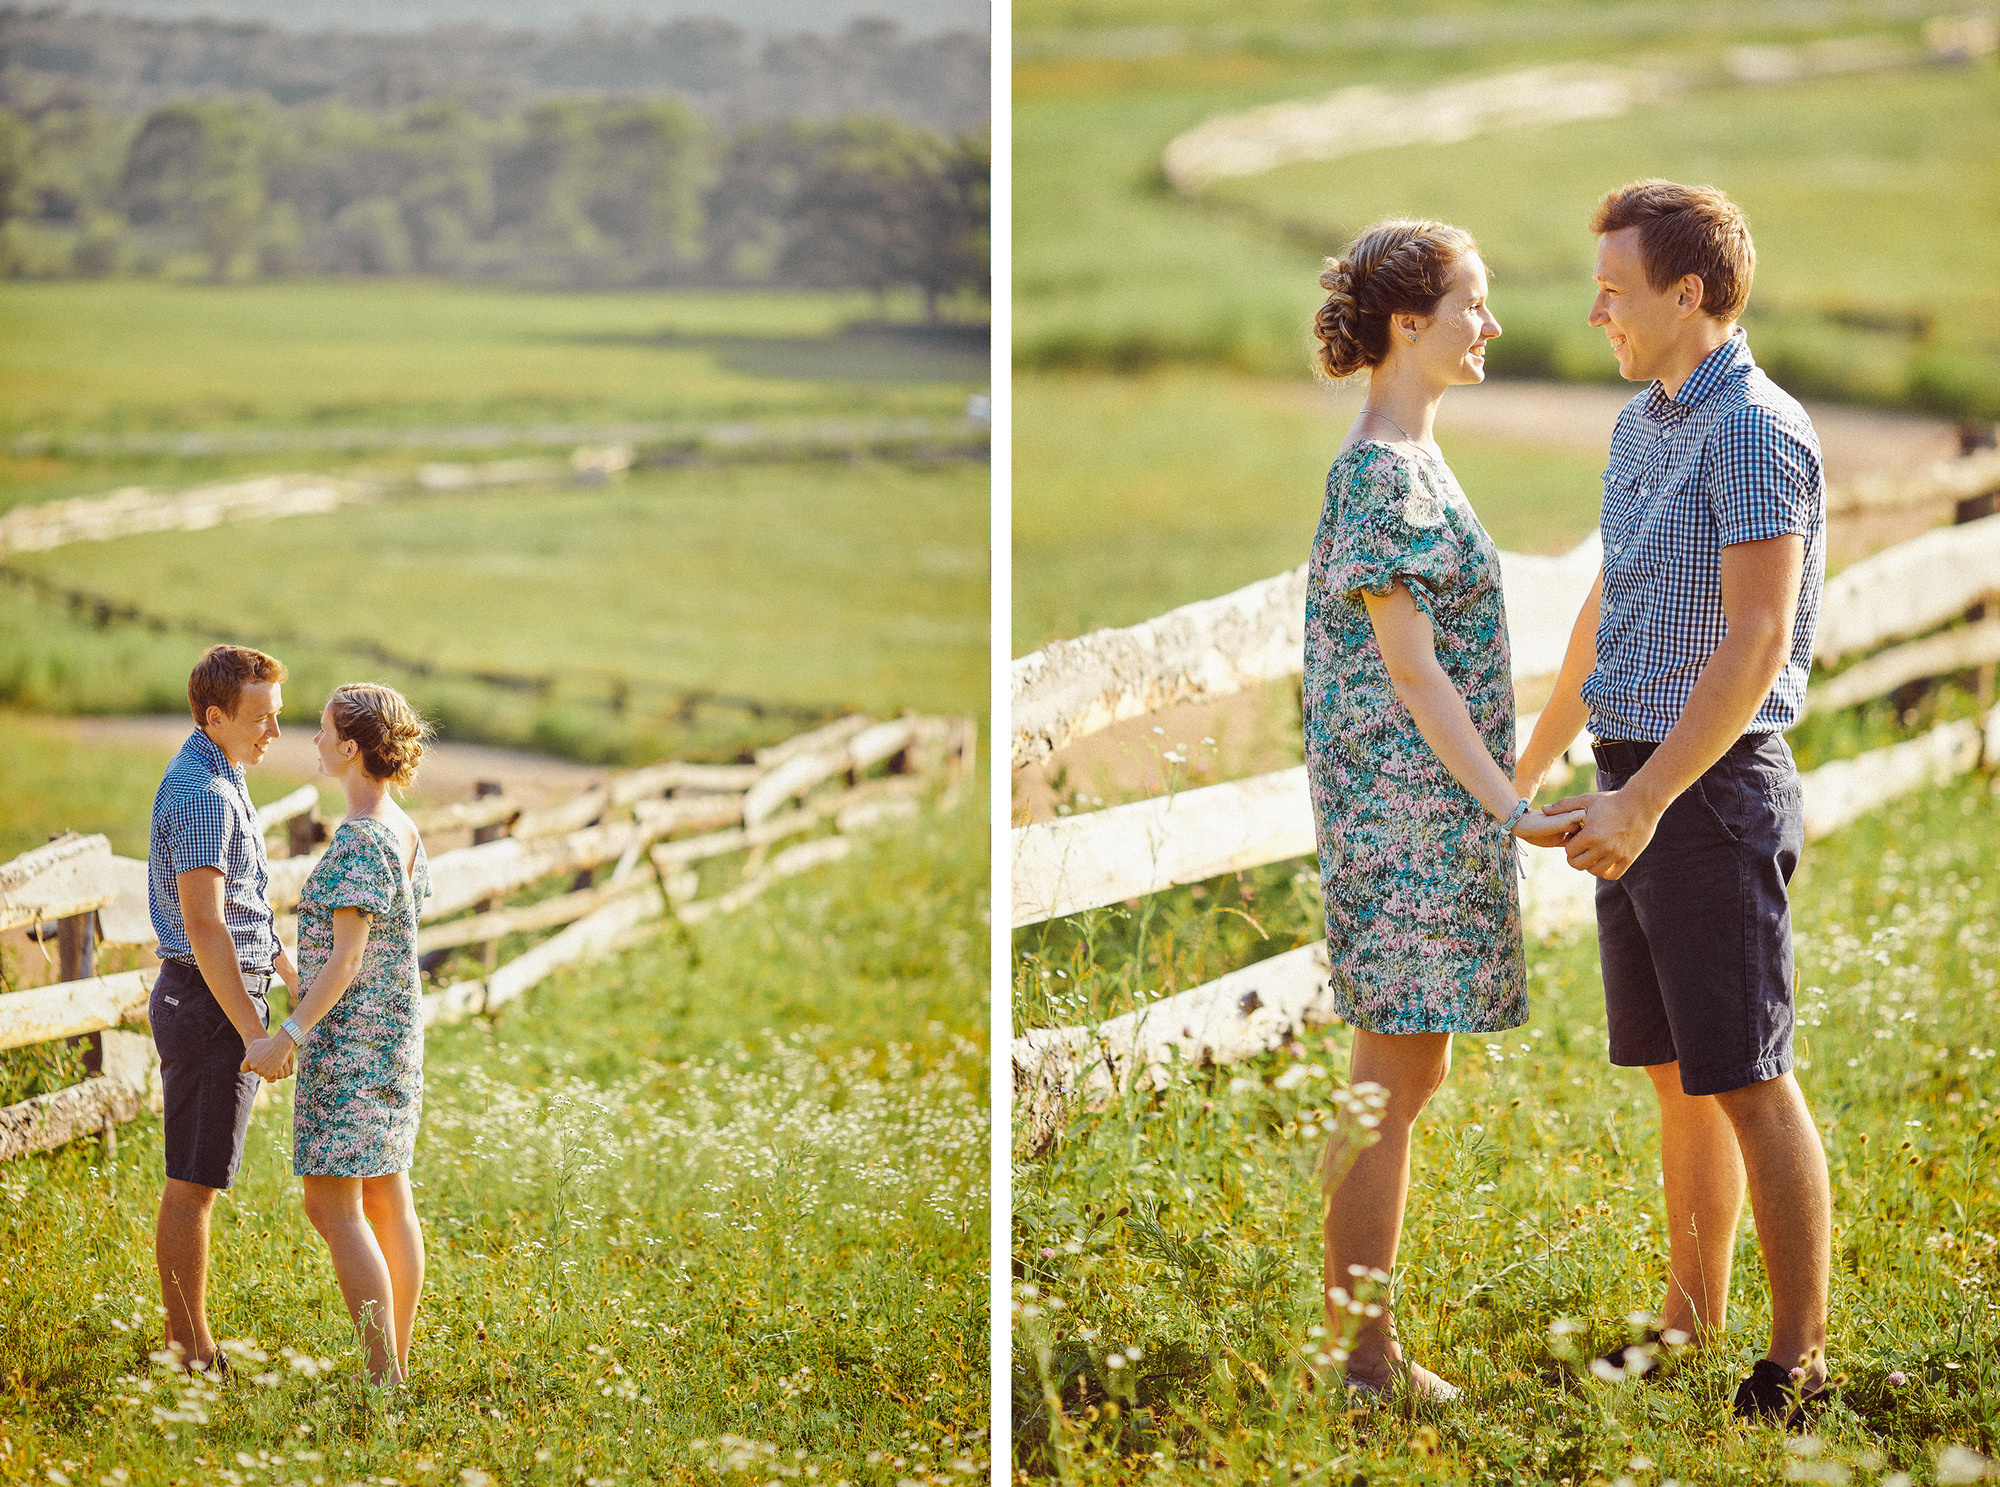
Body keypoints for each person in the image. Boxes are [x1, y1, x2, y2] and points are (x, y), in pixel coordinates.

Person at [1515, 179, 1832, 1427]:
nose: (1594, 305)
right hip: (1629, 771)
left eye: (1614, 285)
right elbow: (1608, 603)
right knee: (1674, 1074)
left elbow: (1753, 641)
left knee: (1750, 1074)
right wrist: (1536, 760)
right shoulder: (1641, 423)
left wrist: (1642, 800)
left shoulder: (1754, 428)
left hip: (1702, 788)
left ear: (1685, 292)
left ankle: (1795, 1361)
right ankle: (1687, 1319)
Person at [1304, 219, 1581, 1401]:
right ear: (1408, 323)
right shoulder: (1379, 470)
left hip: (1423, 817)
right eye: (1474, 302)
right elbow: (1411, 670)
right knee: (1389, 1083)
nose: (1492, 323)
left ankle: (1351, 1344)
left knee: (1406, 1082)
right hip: (1403, 823)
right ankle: (1358, 1359)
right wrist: (1511, 804)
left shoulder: (1410, 457)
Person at [243, 683, 432, 1386]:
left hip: (350, 1046)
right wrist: (289, 964)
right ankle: (394, 1368)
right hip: (394, 1039)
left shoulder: (359, 837)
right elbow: (372, 943)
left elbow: (350, 957)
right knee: (387, 1194)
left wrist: (287, 1033)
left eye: (323, 730)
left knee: (332, 1205)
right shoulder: (401, 827)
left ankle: (383, 1376)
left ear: (351, 747)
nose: (315, 740)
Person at [148, 644, 300, 1376]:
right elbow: (206, 924)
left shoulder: (224, 770)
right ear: (216, 716)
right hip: (210, 1004)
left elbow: (244, 905)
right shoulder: (204, 794)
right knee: (194, 1183)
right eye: (262, 719)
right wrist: (252, 1030)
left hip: (222, 993)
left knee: (201, 1174)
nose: (276, 731)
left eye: (278, 714)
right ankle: (190, 1353)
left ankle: (193, 1345)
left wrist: (283, 966)